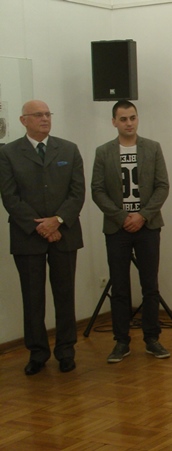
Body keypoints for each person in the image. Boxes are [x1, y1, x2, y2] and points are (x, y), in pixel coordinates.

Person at [0, 100, 85, 375]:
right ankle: (37, 353)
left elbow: (77, 193)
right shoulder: (8, 153)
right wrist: (40, 226)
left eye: (48, 114)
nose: (45, 119)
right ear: (23, 120)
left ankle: (66, 351)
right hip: (28, 236)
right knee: (33, 298)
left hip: (64, 233)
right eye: (38, 115)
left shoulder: (69, 149)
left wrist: (56, 221)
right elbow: (10, 197)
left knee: (65, 295)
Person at [91, 100, 171, 363]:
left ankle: (152, 339)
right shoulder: (103, 152)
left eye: (132, 118)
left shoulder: (152, 148)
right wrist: (122, 216)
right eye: (123, 119)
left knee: (150, 285)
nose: (129, 123)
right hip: (117, 228)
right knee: (120, 286)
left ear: (138, 119)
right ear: (114, 122)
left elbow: (162, 186)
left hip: (148, 227)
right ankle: (121, 341)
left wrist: (142, 215)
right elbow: (97, 190)